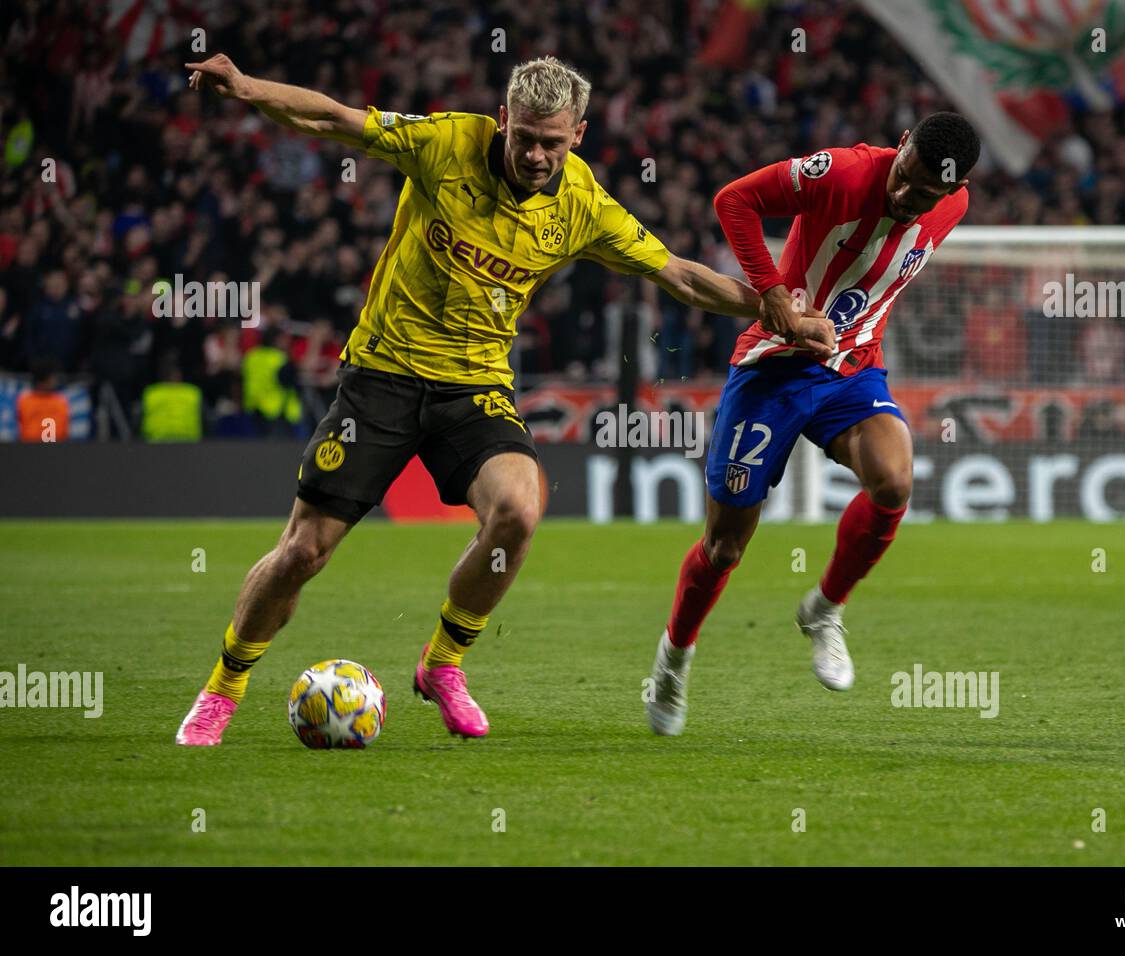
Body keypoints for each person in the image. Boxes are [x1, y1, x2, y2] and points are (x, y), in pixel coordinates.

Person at [175, 53, 826, 745]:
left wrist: (772, 308)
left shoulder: (581, 205)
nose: (537, 155)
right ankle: (224, 685)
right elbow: (332, 117)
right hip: (384, 374)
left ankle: (443, 665)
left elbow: (680, 275)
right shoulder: (444, 144)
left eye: (553, 142)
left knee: (518, 509)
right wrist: (245, 88)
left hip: (475, 386)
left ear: (577, 134)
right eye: (525, 139)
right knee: (305, 551)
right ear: (503, 119)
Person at [645, 112, 980, 735]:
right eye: (906, 178)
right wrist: (770, 288)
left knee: (894, 483)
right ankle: (673, 658)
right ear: (900, 143)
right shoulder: (844, 171)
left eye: (927, 194)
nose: (908, 197)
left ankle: (824, 609)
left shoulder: (951, 206)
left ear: (951, 193)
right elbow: (734, 199)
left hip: (851, 368)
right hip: (773, 367)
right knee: (724, 548)